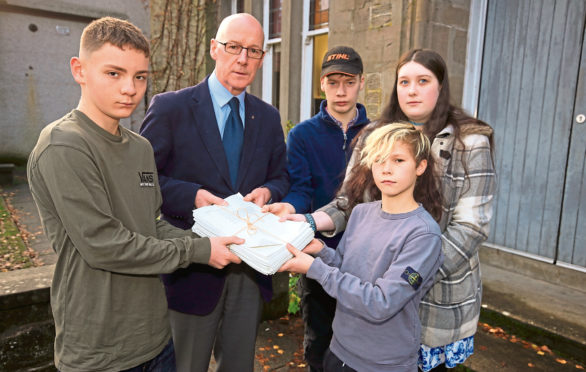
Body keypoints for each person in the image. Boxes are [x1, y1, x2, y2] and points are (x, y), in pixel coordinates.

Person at [27, 17, 243, 372]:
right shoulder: (64, 145)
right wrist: (200, 250)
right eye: (114, 73)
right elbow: (104, 245)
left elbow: (151, 224)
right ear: (79, 70)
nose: (130, 88)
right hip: (99, 352)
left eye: (140, 76)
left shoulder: (141, 148)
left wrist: (215, 239)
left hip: (156, 340)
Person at [274, 49, 496, 371]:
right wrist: (307, 222)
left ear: (441, 86)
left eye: (423, 81)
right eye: (404, 81)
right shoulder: (373, 136)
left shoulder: (470, 142)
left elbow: (470, 227)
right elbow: (348, 203)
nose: (412, 90)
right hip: (370, 305)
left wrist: (407, 277)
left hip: (434, 298)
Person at [139, 13, 289, 372]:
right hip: (192, 268)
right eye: (233, 47)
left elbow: (282, 177)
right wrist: (191, 195)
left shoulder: (267, 118)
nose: (242, 59)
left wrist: (269, 191)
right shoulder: (171, 108)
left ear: (263, 58)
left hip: (250, 271)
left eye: (253, 51)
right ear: (214, 49)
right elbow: (142, 180)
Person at [279, 122, 444, 371]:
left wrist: (315, 268)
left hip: (382, 362)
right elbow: (345, 270)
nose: (387, 169)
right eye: (379, 160)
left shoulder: (424, 234)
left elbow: (381, 303)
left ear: (420, 166)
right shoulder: (361, 213)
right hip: (339, 349)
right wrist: (321, 250)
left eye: (398, 160)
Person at [262, 45, 369, 371]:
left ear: (361, 83)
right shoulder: (302, 135)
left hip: (367, 259)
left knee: (362, 347)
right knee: (319, 344)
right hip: (319, 252)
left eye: (348, 82)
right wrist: (289, 210)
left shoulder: (377, 134)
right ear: (321, 83)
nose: (341, 91)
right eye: (333, 82)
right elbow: (300, 190)